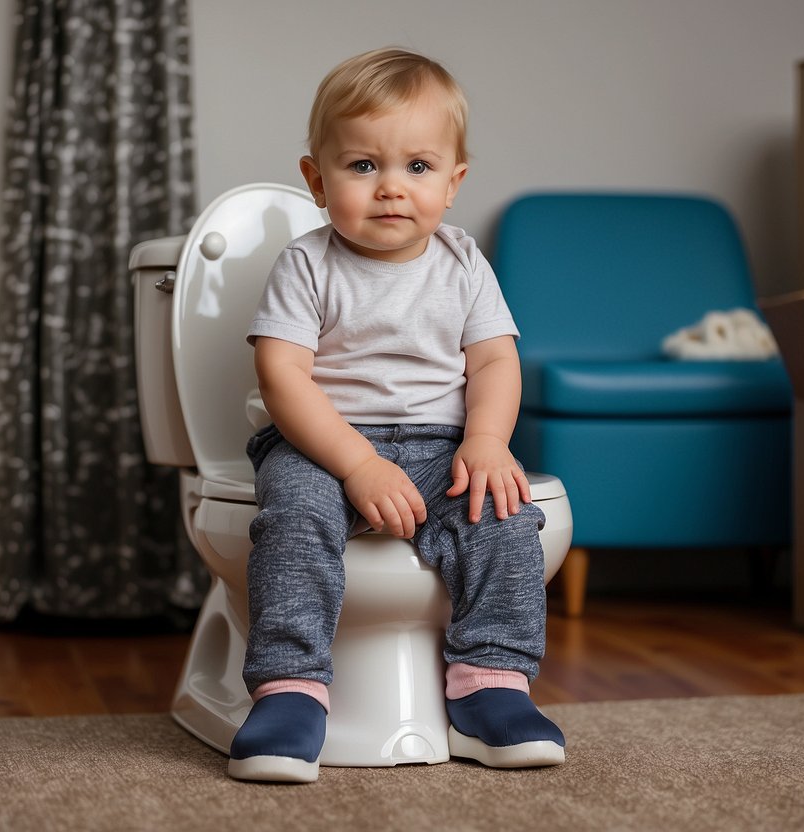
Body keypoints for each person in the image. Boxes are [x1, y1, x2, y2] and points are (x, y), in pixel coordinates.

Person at [230, 47, 565, 783]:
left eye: (417, 167)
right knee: (295, 518)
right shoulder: (306, 264)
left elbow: (494, 361)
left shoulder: (462, 262)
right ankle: (290, 690)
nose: (390, 189)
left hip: (444, 443)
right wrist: (354, 462)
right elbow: (282, 377)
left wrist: (484, 441)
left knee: (503, 517)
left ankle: (491, 685)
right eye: (361, 167)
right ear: (316, 180)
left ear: (453, 182)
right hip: (320, 444)